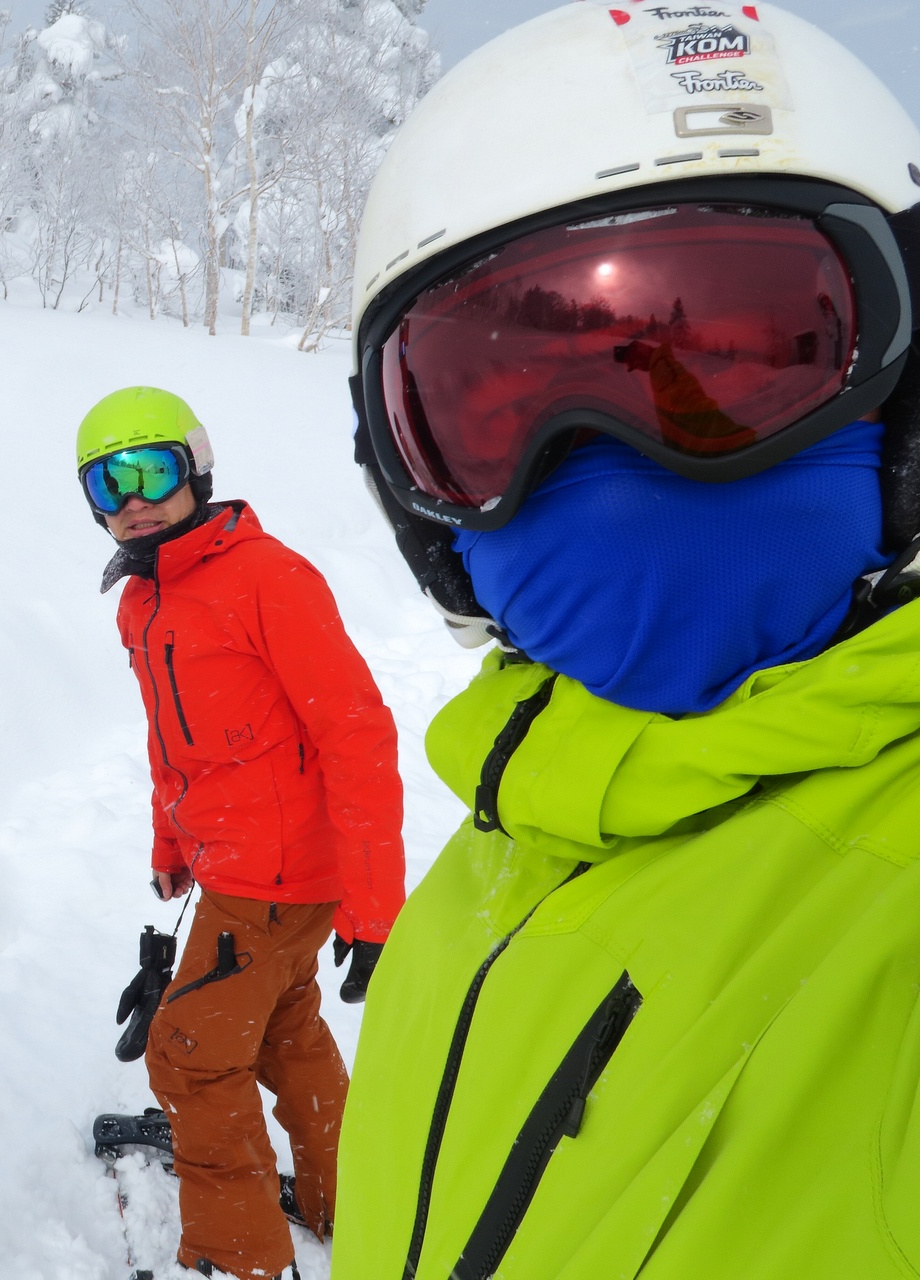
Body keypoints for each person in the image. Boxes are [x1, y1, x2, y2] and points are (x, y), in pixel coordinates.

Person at [336, 5, 920, 1278]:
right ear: (418, 499)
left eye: (729, 358)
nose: (610, 458)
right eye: (492, 407)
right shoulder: (494, 852)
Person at [77, 388, 407, 1280]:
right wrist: (170, 841)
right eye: (108, 483)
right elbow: (172, 739)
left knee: (188, 1055)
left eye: (153, 471)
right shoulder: (143, 599)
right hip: (236, 863)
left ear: (197, 469)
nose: (133, 499)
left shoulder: (268, 578)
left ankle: (239, 1258)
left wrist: (376, 907)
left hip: (276, 877)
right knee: (285, 1031)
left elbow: (357, 734)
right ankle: (349, 1201)